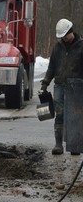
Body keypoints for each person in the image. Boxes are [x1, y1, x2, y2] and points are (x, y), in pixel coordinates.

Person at [40, 18, 83, 155]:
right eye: (62, 36)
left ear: (71, 31)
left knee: (75, 116)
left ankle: (75, 145)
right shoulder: (57, 47)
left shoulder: (81, 46)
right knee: (59, 114)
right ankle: (58, 144)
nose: (64, 38)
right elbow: (52, 66)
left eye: (65, 35)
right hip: (59, 85)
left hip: (76, 87)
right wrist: (45, 82)